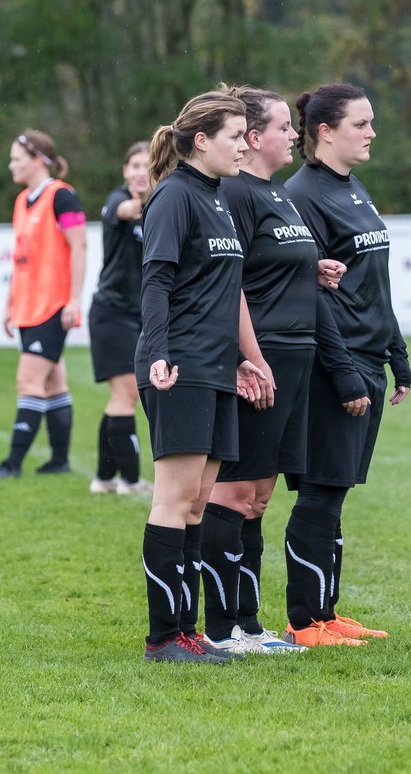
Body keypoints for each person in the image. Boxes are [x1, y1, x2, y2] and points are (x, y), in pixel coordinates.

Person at [198, 85, 361, 655]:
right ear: (253, 137)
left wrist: (311, 271)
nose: (294, 134)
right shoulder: (237, 193)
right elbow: (226, 280)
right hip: (260, 362)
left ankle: (248, 626)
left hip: (294, 361)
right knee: (233, 493)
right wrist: (248, 357)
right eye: (282, 127)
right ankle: (221, 629)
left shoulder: (277, 195)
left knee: (259, 499)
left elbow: (271, 263)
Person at [136, 90, 267, 663]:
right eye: (236, 135)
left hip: (214, 368)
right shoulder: (173, 196)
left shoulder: (216, 198)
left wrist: (238, 357)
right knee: (174, 500)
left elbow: (215, 291)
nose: (245, 144)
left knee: (196, 504)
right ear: (201, 141)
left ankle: (187, 633)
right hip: (179, 367)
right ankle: (164, 637)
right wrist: (160, 352)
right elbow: (158, 281)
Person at [281, 83, 411, 648]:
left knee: (335, 492)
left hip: (368, 357)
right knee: (319, 490)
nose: (372, 133)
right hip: (333, 363)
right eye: (361, 124)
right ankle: (303, 622)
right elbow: (311, 295)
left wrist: (397, 354)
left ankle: (327, 614)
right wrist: (344, 370)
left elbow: (370, 281)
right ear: (325, 131)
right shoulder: (302, 194)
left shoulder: (352, 187)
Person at [0, 130, 87, 481]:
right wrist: (10, 304)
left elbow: (80, 247)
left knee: (28, 381)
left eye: (16, 158)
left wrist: (73, 299)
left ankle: (12, 464)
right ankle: (59, 461)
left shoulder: (62, 197)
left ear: (39, 159)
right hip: (28, 307)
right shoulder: (21, 200)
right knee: (54, 382)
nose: (11, 165)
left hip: (52, 306)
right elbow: (21, 258)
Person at [87, 141, 153, 495]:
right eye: (135, 166)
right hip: (111, 314)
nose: (142, 172)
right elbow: (127, 209)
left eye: (148, 165)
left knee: (118, 398)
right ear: (126, 171)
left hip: (139, 316)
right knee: (126, 395)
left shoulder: (160, 205)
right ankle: (130, 480)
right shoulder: (117, 202)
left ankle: (103, 478)